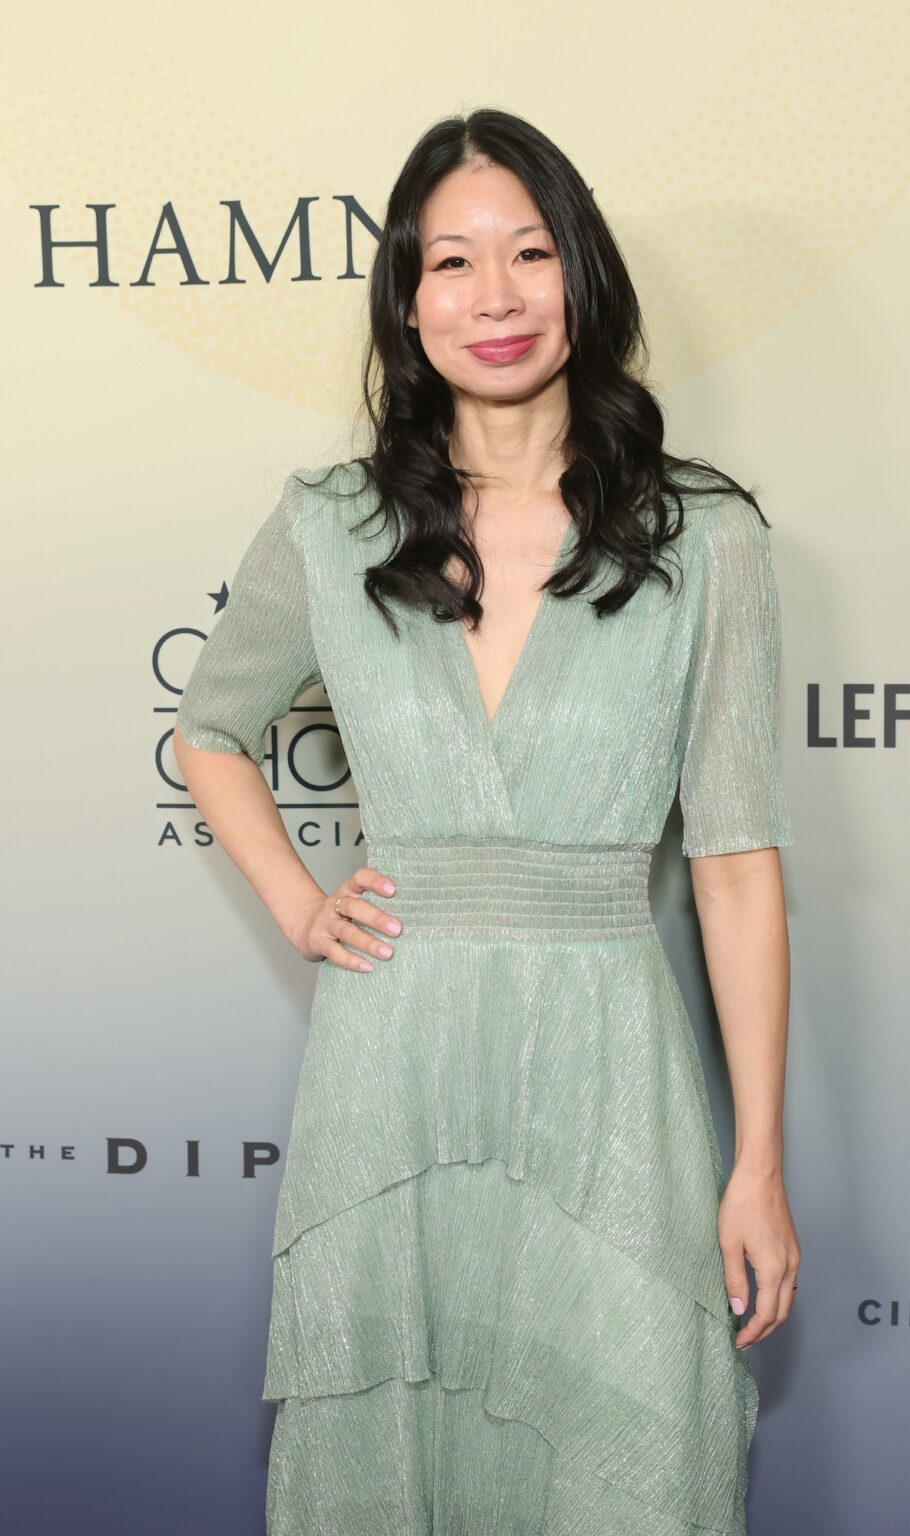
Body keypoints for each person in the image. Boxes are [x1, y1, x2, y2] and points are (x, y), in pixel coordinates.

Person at [174, 106, 800, 1536]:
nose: (495, 296)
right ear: (406, 303)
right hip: (393, 1060)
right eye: (450, 263)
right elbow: (209, 729)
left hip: (612, 1076)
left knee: (628, 1442)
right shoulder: (332, 527)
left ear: (584, 274)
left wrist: (756, 1163)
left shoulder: (710, 540)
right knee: (395, 1457)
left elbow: (738, 867)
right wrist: (299, 902)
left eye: (529, 252)